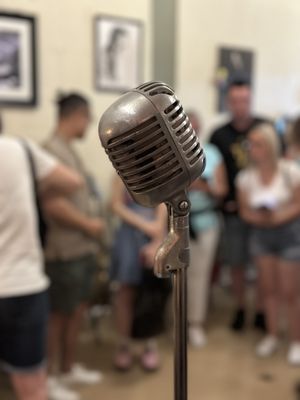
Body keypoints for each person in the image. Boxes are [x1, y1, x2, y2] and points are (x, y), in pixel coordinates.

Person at [0, 131, 82, 400]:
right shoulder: (16, 149)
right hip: (20, 281)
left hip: (20, 281)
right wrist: (29, 186)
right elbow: (73, 181)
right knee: (32, 384)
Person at [44, 93, 105, 400]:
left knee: (77, 310)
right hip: (63, 250)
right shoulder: (50, 152)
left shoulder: (68, 150)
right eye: (87, 117)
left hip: (82, 249)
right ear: (76, 115)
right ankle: (50, 377)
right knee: (58, 315)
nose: (89, 124)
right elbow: (52, 204)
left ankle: (67, 368)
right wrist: (88, 225)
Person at [237, 124, 300, 365]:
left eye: (258, 144)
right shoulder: (246, 177)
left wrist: (277, 217)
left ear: (271, 146)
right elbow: (244, 211)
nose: (253, 149)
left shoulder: (290, 171)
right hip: (261, 236)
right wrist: (260, 217)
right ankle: (273, 335)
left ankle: (296, 340)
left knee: (291, 292)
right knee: (269, 290)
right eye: (250, 144)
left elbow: (297, 203)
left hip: (289, 235)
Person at [210, 80, 266, 331]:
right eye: (235, 100)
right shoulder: (219, 135)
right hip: (233, 213)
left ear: (251, 100)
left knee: (264, 264)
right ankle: (240, 307)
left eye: (245, 100)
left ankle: (263, 311)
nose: (240, 106)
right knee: (236, 264)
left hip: (265, 212)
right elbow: (212, 171)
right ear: (227, 102)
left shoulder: (265, 129)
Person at [110, 175, 167, 372]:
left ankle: (149, 344)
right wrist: (146, 225)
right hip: (128, 237)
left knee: (151, 292)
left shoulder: (160, 170)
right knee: (125, 293)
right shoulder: (121, 172)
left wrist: (156, 236)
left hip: (154, 238)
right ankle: (124, 344)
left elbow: (164, 205)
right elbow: (115, 205)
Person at [187, 112, 228, 348]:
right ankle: (178, 320)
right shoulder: (169, 152)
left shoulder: (211, 153)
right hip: (176, 221)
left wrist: (203, 186)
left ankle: (195, 323)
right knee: (176, 275)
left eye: (194, 127)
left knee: (200, 276)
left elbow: (222, 189)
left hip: (205, 222)